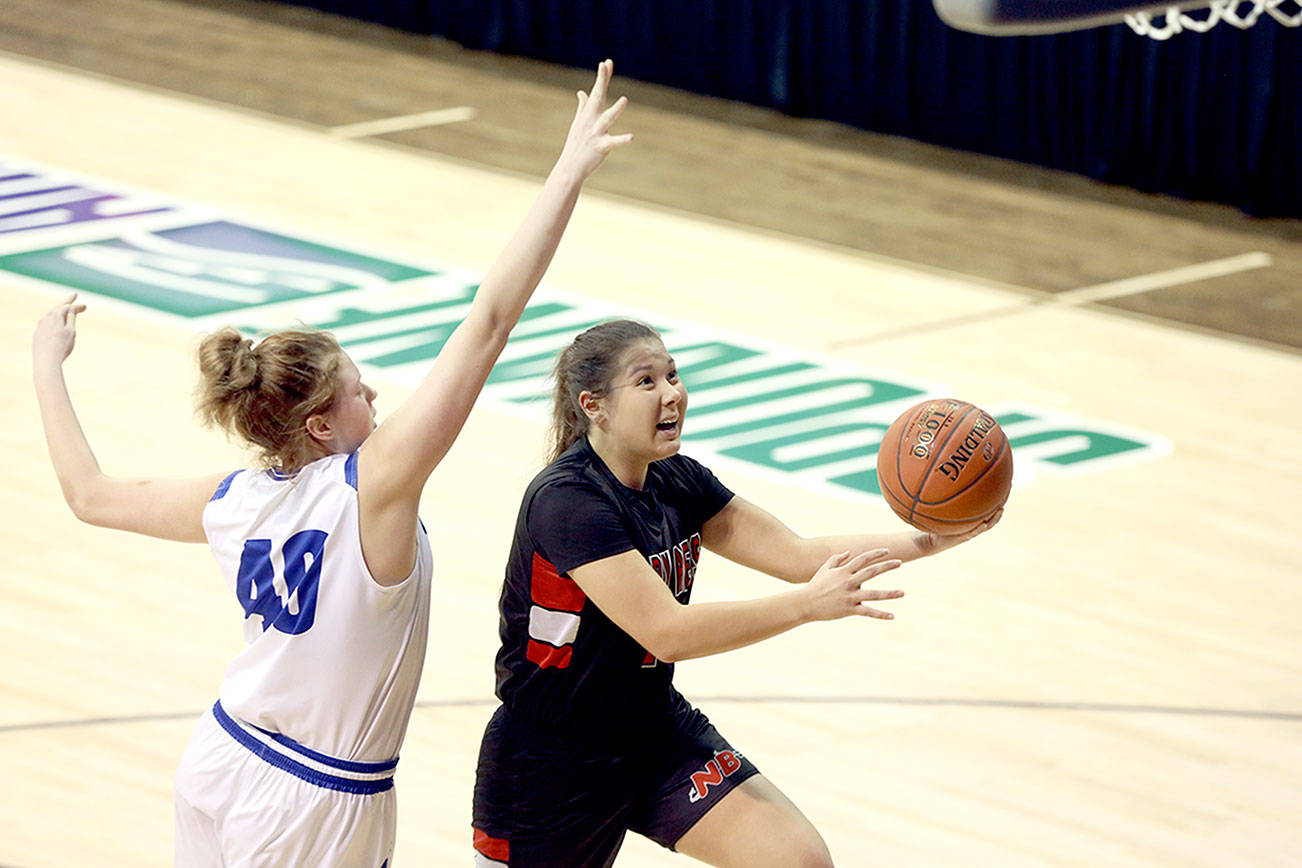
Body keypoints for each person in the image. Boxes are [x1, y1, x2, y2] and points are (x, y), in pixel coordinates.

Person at [31, 60, 632, 867]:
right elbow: (489, 323)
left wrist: (45, 363)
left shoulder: (234, 498)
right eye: (355, 391)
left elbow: (89, 495)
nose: (374, 394)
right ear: (319, 425)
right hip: (315, 798)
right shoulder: (372, 487)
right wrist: (566, 172)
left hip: (221, 756)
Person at [471, 320, 1002, 868]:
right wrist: (806, 607)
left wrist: (933, 537)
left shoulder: (678, 480)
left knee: (798, 861)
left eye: (672, 374)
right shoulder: (568, 501)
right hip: (552, 763)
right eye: (647, 381)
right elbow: (667, 632)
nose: (671, 392)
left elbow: (797, 555)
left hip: (654, 735)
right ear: (594, 405)